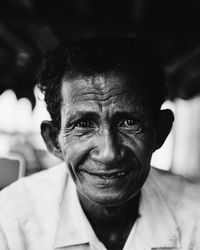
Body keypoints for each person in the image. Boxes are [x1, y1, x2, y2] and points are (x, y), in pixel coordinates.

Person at [0, 36, 200, 250]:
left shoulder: (194, 216)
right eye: (83, 124)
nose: (109, 153)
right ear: (53, 140)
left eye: (129, 122)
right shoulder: (10, 221)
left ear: (160, 131)